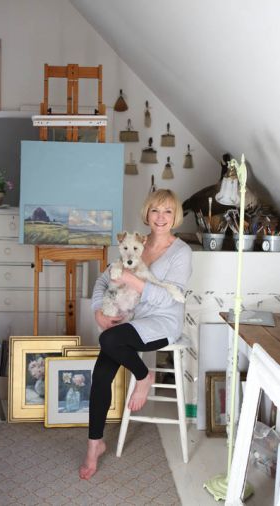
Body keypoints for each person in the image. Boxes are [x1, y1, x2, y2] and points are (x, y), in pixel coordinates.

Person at [79, 189, 192, 480]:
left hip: (162, 321)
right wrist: (98, 312)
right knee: (102, 373)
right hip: (131, 318)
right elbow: (103, 281)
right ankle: (95, 445)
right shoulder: (134, 244)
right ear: (147, 213)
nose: (161, 217)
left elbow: (170, 300)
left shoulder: (182, 252)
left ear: (175, 215)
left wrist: (131, 280)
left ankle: (143, 376)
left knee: (109, 339)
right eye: (155, 210)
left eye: (167, 211)